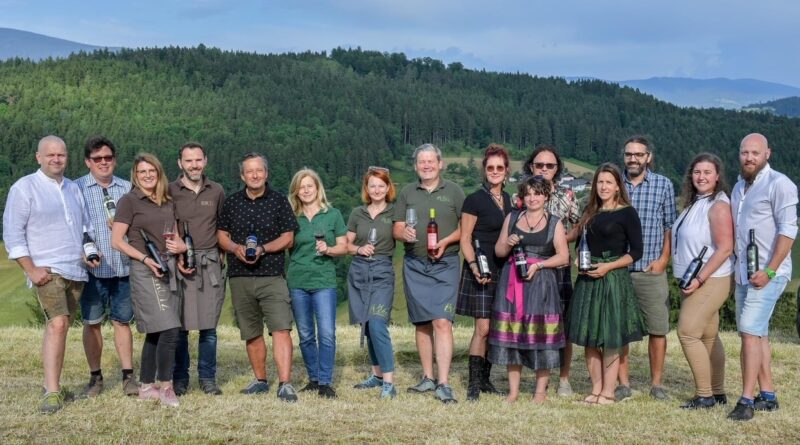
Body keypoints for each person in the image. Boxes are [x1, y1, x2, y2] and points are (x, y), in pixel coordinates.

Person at [3, 135, 96, 413]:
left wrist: (88, 252)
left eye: (62, 155)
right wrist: (31, 269)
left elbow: (84, 227)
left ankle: (50, 384)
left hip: (75, 270)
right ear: (38, 157)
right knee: (58, 324)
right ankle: (52, 393)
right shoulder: (24, 188)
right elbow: (12, 234)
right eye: (51, 155)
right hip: (47, 269)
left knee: (60, 327)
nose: (57, 159)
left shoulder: (72, 188)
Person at [217, 152, 299, 402]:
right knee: (251, 332)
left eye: (259, 171)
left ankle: (285, 383)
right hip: (240, 276)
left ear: (266, 174)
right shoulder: (231, 203)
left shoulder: (278, 201)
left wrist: (263, 248)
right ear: (242, 175)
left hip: (272, 275)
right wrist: (234, 248)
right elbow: (221, 235)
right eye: (249, 171)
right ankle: (260, 380)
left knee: (281, 329)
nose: (254, 175)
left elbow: (288, 238)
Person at [727, 133, 798, 421]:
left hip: (770, 274)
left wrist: (769, 271)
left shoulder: (780, 184)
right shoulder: (737, 188)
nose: (749, 158)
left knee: (748, 331)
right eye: (745, 152)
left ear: (767, 153)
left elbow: (789, 230)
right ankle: (767, 396)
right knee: (759, 334)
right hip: (744, 274)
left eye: (755, 153)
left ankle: (745, 401)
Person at [111, 153, 187, 408]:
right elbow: (117, 241)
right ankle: (166, 387)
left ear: (158, 172)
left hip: (169, 268)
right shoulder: (129, 201)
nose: (147, 175)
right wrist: (145, 260)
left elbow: (174, 232)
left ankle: (145, 386)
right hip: (146, 270)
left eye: (151, 171)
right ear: (135, 175)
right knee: (169, 328)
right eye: (142, 172)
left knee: (157, 330)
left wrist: (180, 248)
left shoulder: (166, 199)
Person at [567, 163, 646, 405]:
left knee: (610, 336)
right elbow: (574, 238)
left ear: (617, 186)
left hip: (612, 278)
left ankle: (609, 392)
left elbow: (637, 251)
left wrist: (608, 267)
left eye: (608, 182)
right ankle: (596, 389)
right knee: (589, 335)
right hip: (588, 277)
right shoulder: (590, 211)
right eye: (600, 182)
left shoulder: (627, 212)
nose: (603, 186)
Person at [393, 143, 465, 404]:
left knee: (442, 321)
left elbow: (466, 227)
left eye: (431, 161)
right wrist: (404, 233)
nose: (426, 165)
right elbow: (396, 228)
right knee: (422, 322)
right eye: (421, 162)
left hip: (446, 264)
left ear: (440, 163)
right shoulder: (407, 193)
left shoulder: (454, 191)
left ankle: (443, 383)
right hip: (414, 264)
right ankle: (427, 377)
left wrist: (445, 242)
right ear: (415, 166)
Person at [489, 176, 569, 403]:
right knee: (513, 334)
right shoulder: (512, 217)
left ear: (546, 196)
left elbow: (563, 256)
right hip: (512, 280)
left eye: (537, 193)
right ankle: (513, 392)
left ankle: (540, 393)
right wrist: (508, 243)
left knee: (542, 337)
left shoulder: (555, 222)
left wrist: (540, 265)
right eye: (528, 193)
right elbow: (499, 252)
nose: (532, 198)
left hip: (542, 283)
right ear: (523, 196)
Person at [74, 136, 139, 398]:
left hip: (123, 267)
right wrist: (82, 253)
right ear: (88, 161)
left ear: (115, 160)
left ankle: (127, 377)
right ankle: (96, 377)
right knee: (92, 323)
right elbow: (69, 226)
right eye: (97, 158)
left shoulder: (128, 187)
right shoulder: (74, 188)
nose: (103, 162)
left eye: (108, 158)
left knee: (122, 322)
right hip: (91, 270)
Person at [671, 153, 733, 409]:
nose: (701, 177)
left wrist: (698, 279)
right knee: (708, 336)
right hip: (697, 279)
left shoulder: (717, 206)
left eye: (707, 172)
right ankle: (717, 392)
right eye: (697, 172)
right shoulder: (698, 202)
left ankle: (704, 395)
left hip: (710, 279)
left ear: (717, 176)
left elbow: (725, 247)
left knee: (687, 332)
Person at [617, 135, 676, 401]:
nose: (633, 159)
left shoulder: (663, 184)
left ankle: (656, 384)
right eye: (629, 154)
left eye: (638, 155)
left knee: (658, 328)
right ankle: (623, 383)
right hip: (618, 268)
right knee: (619, 329)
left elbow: (669, 226)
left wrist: (665, 259)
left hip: (650, 268)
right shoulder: (614, 182)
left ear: (648, 157)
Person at [523, 145, 580, 396]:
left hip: (559, 268)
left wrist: (562, 241)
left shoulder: (567, 195)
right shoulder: (524, 194)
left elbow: (580, 225)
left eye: (550, 165)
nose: (544, 169)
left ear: (558, 169)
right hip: (530, 269)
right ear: (531, 167)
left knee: (563, 324)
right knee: (533, 322)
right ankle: (537, 376)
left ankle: (564, 378)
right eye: (539, 165)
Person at [169, 142, 226, 396]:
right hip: (180, 264)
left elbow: (223, 227)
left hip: (210, 264)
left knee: (208, 326)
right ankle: (180, 378)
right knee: (180, 326)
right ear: (180, 163)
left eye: (198, 160)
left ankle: (207, 378)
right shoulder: (169, 191)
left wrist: (221, 258)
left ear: (206, 161)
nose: (194, 165)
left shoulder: (217, 191)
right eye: (188, 161)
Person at [287, 168, 348, 399]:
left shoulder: (332, 214)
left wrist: (329, 249)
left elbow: (344, 247)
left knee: (327, 333)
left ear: (317, 187)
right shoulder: (291, 216)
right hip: (298, 281)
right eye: (301, 187)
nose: (305, 190)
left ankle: (325, 381)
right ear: (296, 191)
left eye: (309, 186)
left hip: (324, 281)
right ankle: (313, 378)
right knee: (305, 334)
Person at [457, 144, 511, 401]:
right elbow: (465, 239)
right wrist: (474, 266)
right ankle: (473, 385)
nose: (495, 171)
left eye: (499, 167)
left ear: (507, 170)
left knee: (496, 327)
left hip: (504, 269)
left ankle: (487, 379)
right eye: (490, 167)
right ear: (484, 170)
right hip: (481, 268)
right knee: (483, 328)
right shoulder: (474, 199)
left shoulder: (510, 200)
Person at [347, 166, 399, 399]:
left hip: (382, 271)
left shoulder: (395, 212)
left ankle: (389, 382)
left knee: (377, 323)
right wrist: (359, 248)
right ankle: (376, 376)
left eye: (381, 185)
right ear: (366, 189)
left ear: (388, 188)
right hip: (359, 271)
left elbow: (404, 232)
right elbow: (345, 245)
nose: (377, 190)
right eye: (372, 186)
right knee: (367, 325)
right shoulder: (357, 213)